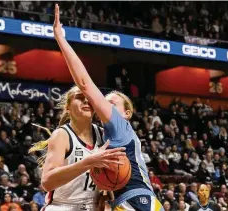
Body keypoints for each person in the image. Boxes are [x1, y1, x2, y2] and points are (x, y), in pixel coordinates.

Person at [53, 4, 163, 211]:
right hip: (130, 201)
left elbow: (85, 84)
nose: (102, 105)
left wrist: (61, 39)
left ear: (126, 113)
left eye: (111, 103)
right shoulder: (104, 137)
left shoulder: (119, 125)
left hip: (137, 201)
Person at [40, 85, 125, 209]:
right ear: (68, 107)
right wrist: (88, 162)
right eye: (80, 97)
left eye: (89, 98)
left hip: (93, 206)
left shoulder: (104, 135)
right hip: (63, 206)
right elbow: (47, 182)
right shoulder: (61, 135)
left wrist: (108, 194)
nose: (86, 100)